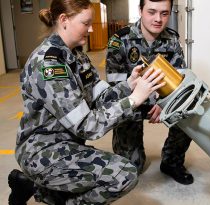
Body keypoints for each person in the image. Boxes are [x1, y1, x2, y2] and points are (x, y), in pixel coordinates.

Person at [8, 0, 166, 204]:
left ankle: (33, 187)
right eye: (86, 23)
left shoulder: (77, 56)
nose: (91, 29)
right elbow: (87, 126)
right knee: (123, 175)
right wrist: (134, 100)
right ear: (64, 20)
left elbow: (100, 96)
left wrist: (129, 85)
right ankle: (48, 189)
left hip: (66, 145)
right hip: (43, 152)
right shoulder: (49, 65)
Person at [105, 0, 194, 185]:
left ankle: (172, 161)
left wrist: (163, 103)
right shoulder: (120, 40)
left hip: (161, 103)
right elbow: (114, 84)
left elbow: (179, 81)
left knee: (190, 112)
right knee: (131, 168)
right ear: (140, 10)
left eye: (164, 13)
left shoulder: (172, 40)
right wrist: (140, 98)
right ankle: (131, 157)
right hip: (132, 102)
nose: (158, 19)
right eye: (152, 12)